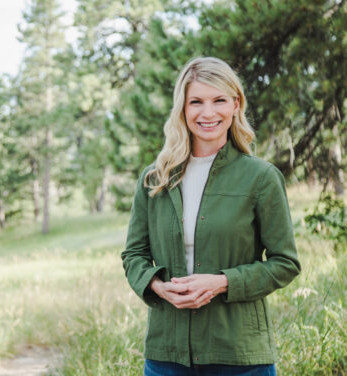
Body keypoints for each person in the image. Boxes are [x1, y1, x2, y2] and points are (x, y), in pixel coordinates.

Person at [121, 57, 301, 376]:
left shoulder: (261, 178)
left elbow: (285, 263)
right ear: (183, 109)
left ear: (235, 105)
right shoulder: (154, 179)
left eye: (219, 100)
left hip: (239, 355)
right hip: (167, 356)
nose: (208, 113)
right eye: (196, 102)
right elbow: (134, 254)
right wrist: (158, 286)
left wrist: (222, 282)